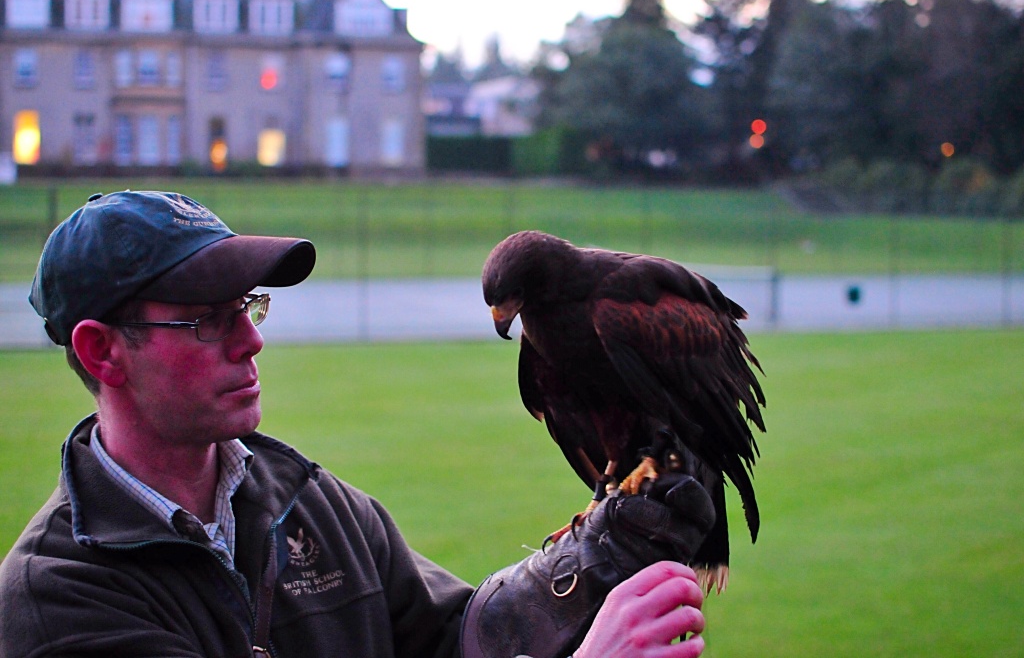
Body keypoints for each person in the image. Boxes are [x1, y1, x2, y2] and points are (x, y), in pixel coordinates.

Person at [0, 190, 714, 658]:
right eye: (209, 321)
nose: (251, 342)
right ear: (101, 350)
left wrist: (588, 560)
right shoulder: (57, 598)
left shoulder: (314, 504)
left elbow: (456, 638)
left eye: (248, 309)